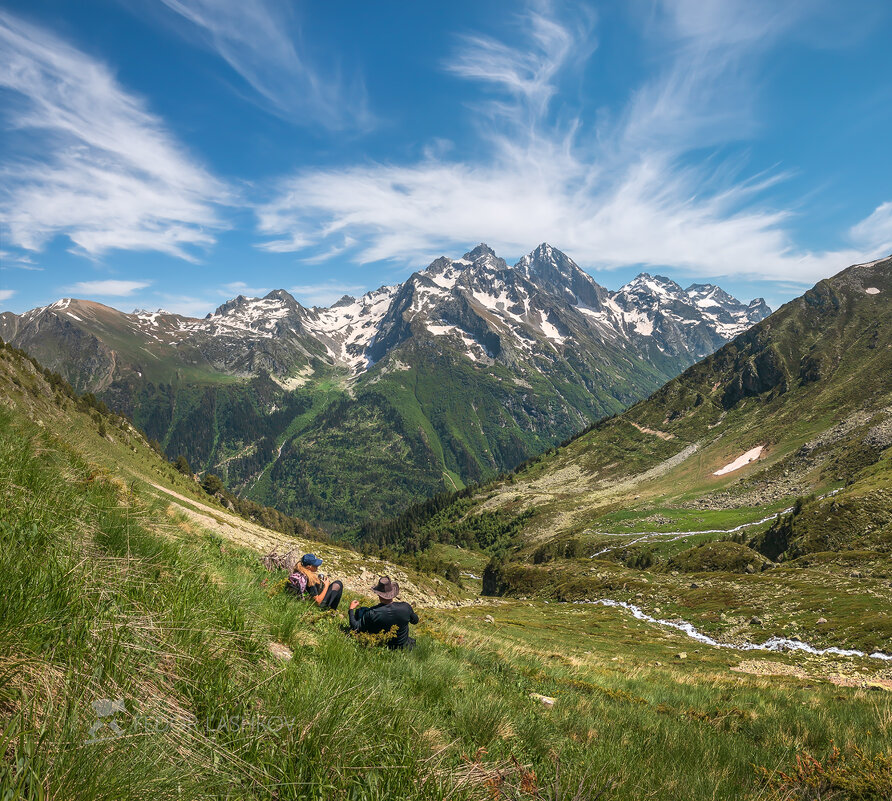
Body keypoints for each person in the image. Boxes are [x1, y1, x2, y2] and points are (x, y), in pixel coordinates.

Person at [349, 576, 418, 650]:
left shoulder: (372, 613)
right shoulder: (406, 607)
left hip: (383, 644)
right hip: (403, 645)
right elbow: (415, 621)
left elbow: (355, 627)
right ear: (393, 593)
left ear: (379, 594)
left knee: (362, 610)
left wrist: (351, 609)